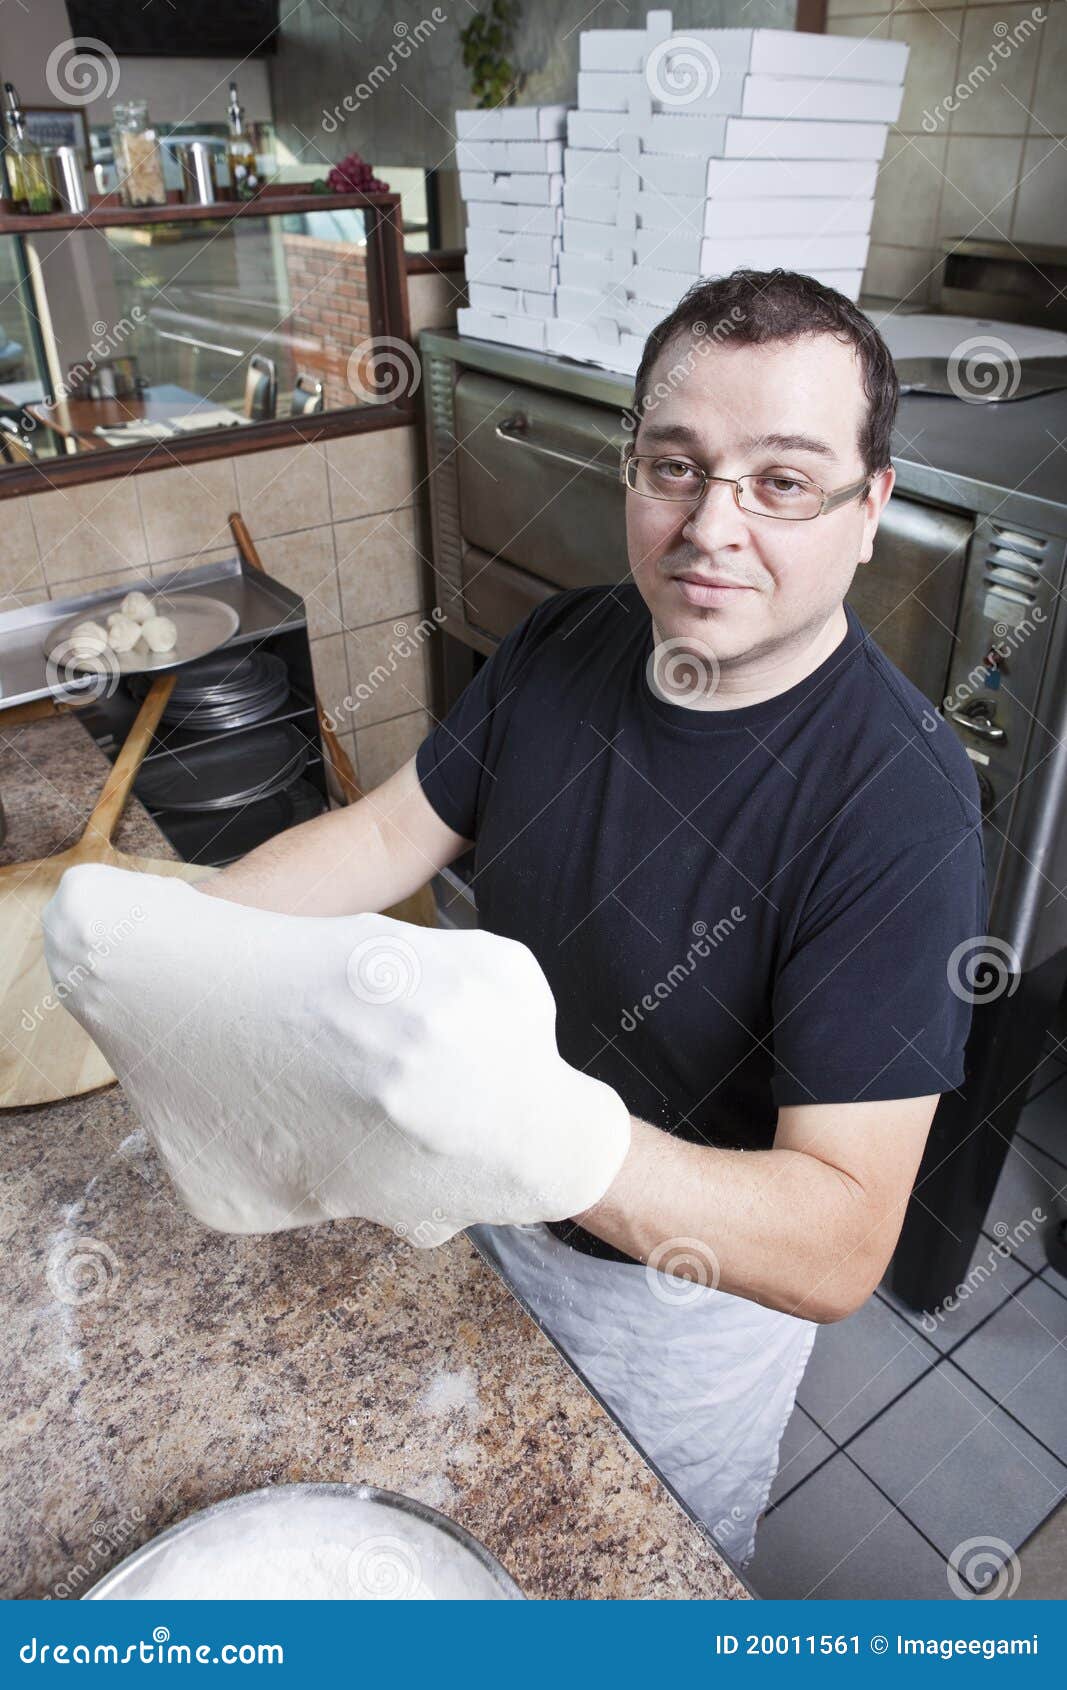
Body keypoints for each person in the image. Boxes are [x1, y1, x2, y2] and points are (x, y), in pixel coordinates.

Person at [200, 269, 988, 1568]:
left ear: (869, 510)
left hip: (671, 1305)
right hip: (482, 1205)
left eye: (783, 482)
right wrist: (182, 932)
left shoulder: (900, 804)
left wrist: (535, 1127)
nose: (712, 526)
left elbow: (839, 1239)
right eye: (675, 466)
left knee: (608, 1589)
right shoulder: (567, 642)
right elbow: (389, 835)